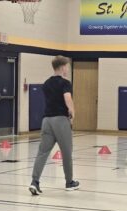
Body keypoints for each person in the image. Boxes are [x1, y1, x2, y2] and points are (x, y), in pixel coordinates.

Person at [29, 56, 79, 196]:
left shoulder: (46, 83)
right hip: (60, 121)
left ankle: (35, 182)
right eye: (67, 67)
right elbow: (67, 98)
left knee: (42, 152)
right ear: (63, 67)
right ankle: (69, 182)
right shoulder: (65, 83)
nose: (68, 69)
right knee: (66, 152)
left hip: (46, 121)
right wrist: (72, 113)